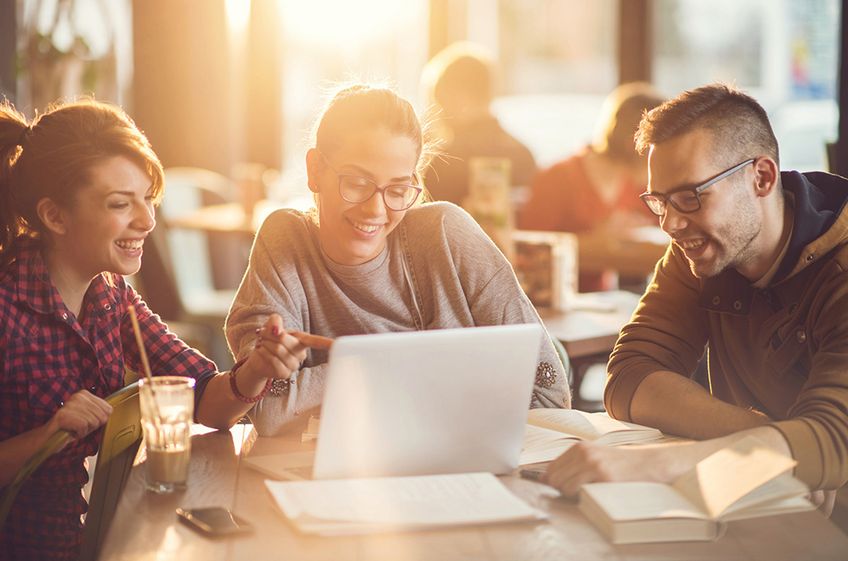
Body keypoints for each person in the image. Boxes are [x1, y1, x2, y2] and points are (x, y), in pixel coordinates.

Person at [0, 99, 298, 560]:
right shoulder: (6, 308)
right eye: (121, 204)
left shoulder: (111, 295)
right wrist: (47, 435)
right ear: (55, 216)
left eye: (147, 199)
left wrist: (257, 367)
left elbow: (205, 400)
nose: (147, 221)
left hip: (80, 541)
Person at [543, 83, 848, 512]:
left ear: (761, 177)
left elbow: (833, 440)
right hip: (753, 502)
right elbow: (629, 375)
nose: (670, 224)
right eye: (659, 202)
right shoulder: (703, 249)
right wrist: (775, 442)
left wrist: (656, 464)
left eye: (690, 197)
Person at [225, 84, 571, 437]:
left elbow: (549, 393)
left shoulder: (448, 235)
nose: (376, 209)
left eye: (398, 189)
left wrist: (343, 377)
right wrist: (405, 367)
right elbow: (267, 405)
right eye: (357, 183)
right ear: (315, 170)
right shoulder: (286, 239)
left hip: (467, 467)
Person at [518, 82, 665, 291]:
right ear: (633, 144)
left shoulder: (633, 184)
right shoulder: (558, 177)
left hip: (602, 300)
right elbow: (528, 251)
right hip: (557, 300)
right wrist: (596, 238)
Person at [421, 42, 537, 206]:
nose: (437, 114)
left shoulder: (445, 164)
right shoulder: (524, 155)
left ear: (457, 97)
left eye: (439, 102)